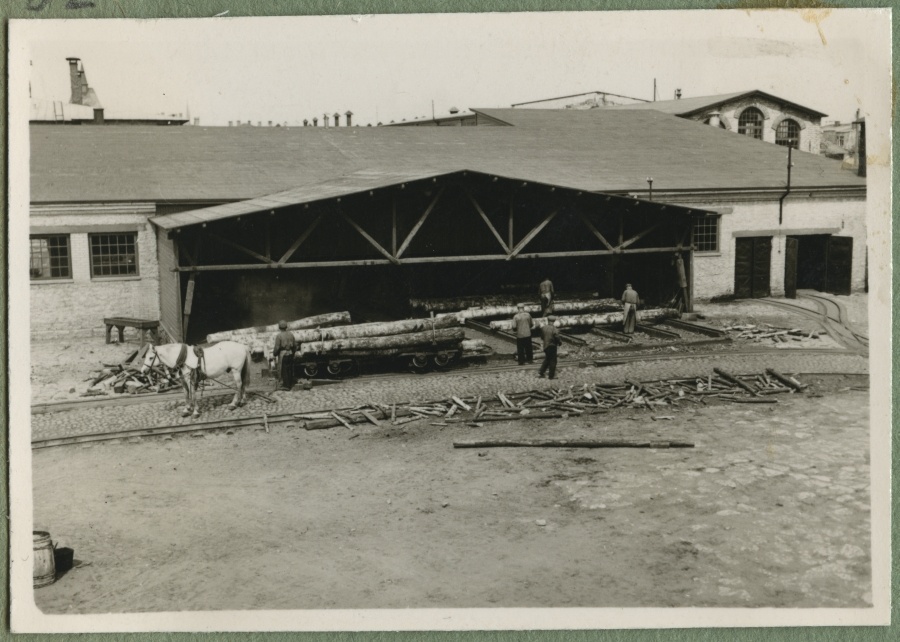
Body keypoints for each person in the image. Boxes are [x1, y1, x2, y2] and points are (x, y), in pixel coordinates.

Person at [273, 320, 296, 391]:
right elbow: (295, 345)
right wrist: (293, 353)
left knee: (284, 370)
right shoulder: (291, 334)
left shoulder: (279, 336)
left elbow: (277, 347)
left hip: (283, 354)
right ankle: (290, 383)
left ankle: (286, 385)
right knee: (290, 369)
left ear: (279, 327)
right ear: (286, 327)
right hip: (290, 353)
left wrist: (274, 353)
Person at [538, 315, 562, 379]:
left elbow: (542, 337)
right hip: (552, 346)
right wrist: (559, 342)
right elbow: (557, 337)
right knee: (553, 361)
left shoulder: (543, 328)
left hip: (545, 346)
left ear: (548, 321)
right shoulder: (554, 329)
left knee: (547, 359)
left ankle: (541, 371)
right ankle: (551, 376)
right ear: (553, 321)